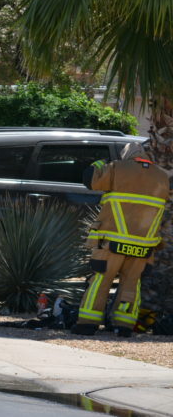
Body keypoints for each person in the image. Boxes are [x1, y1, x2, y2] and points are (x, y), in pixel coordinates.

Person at [72, 141, 169, 337]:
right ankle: (123, 325)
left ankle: (88, 324)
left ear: (126, 155)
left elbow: (90, 179)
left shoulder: (118, 168)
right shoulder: (162, 176)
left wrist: (102, 162)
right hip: (143, 245)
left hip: (112, 241)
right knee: (132, 284)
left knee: (101, 280)